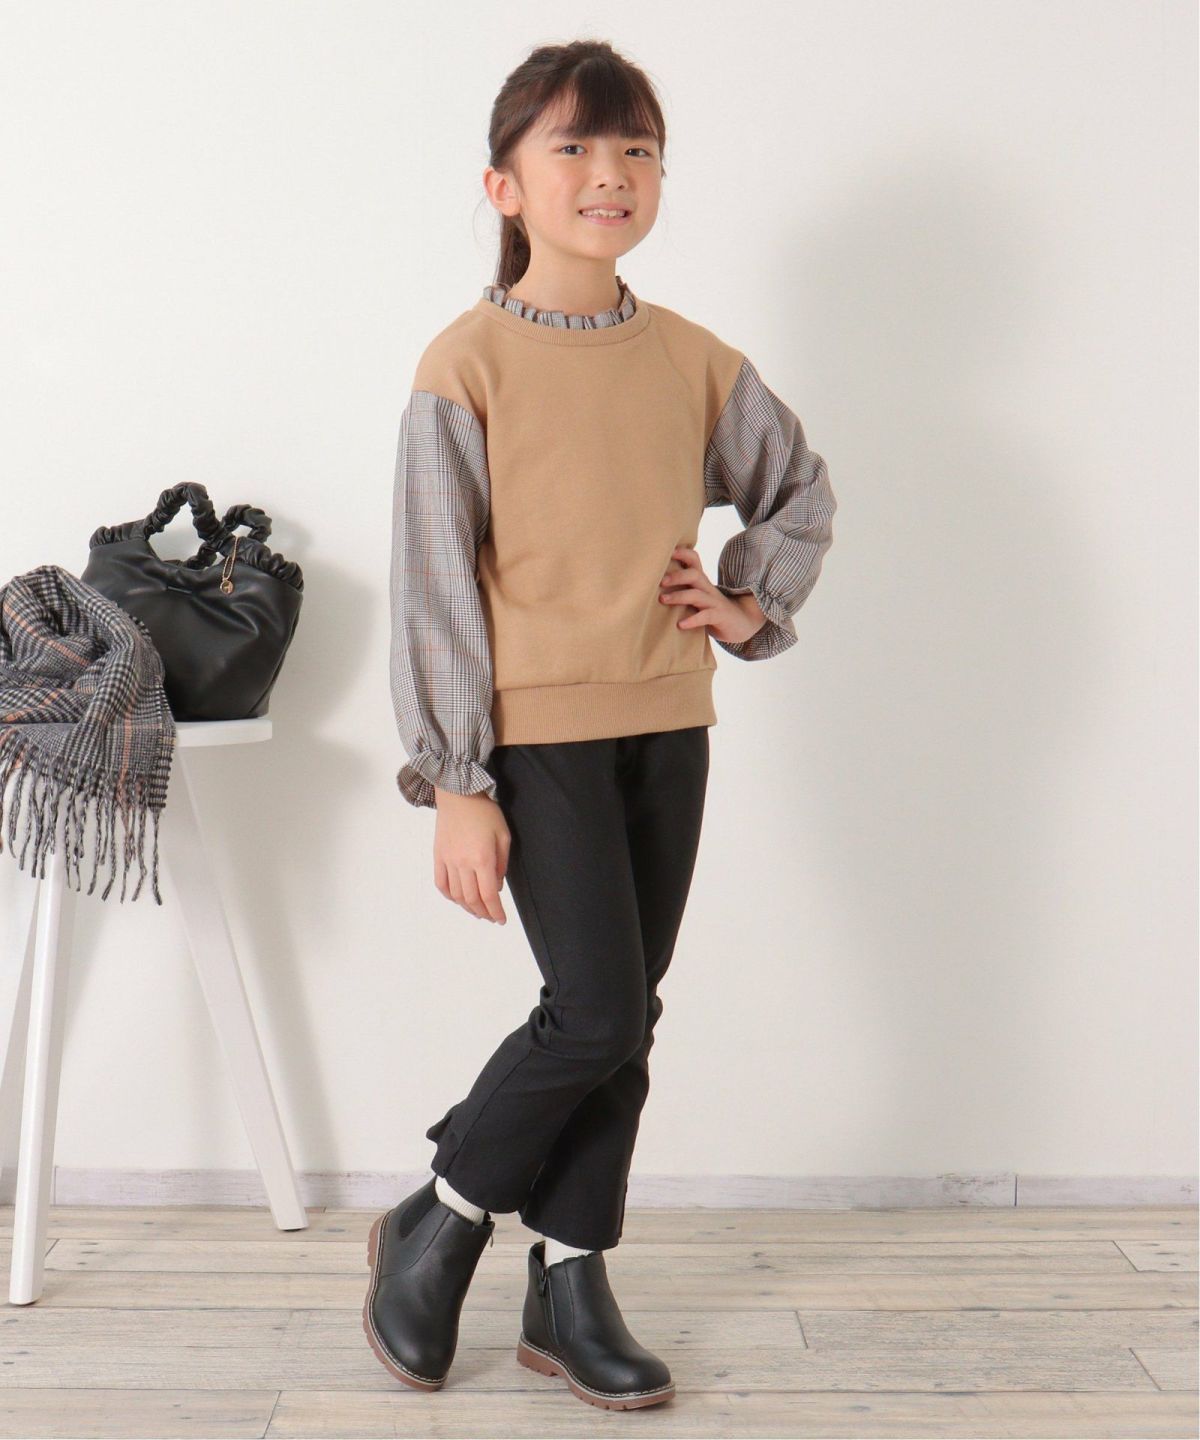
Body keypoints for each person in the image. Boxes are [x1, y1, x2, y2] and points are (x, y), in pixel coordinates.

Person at [364, 38, 837, 1412]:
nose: (609, 173)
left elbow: (799, 491)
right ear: (505, 186)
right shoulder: (464, 365)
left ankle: (568, 1283)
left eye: (635, 149)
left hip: (669, 723)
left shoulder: (695, 361)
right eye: (572, 146)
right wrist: (458, 780)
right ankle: (445, 1214)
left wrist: (744, 603)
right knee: (598, 1013)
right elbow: (434, 586)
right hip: (534, 735)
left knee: (625, 1017)